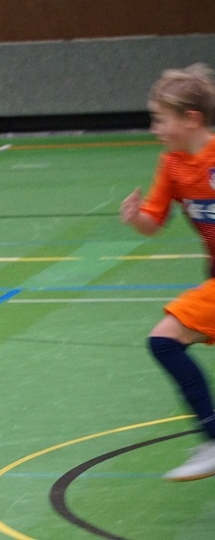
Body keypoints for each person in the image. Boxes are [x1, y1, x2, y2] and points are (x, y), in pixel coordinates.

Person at [121, 63, 215, 481]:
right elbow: (153, 222)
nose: (154, 128)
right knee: (166, 341)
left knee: (165, 339)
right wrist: (134, 218)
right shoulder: (173, 165)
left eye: (160, 119)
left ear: (191, 119)